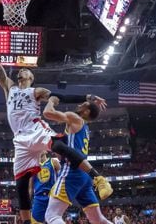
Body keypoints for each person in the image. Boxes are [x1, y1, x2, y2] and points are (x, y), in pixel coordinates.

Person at [0, 20, 112, 223]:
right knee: (20, 184)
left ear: (31, 77)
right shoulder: (9, 87)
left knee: (59, 146)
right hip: (19, 139)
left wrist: (87, 97)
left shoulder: (36, 91)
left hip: (34, 128)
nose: (20, 72)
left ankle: (97, 176)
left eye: (25, 71)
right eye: (19, 71)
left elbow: (60, 96)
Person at [43, 96, 113, 224]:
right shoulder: (84, 127)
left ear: (86, 112)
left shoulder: (75, 118)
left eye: (83, 105)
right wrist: (92, 102)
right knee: (97, 219)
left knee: (52, 216)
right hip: (85, 175)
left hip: (72, 171)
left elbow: (48, 113)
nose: (79, 104)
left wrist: (51, 101)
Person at [29, 152, 60, 223]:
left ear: (46, 150)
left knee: (54, 220)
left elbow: (62, 179)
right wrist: (28, 201)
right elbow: (30, 187)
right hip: (38, 198)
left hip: (52, 197)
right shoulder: (33, 166)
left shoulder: (53, 162)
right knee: (34, 221)